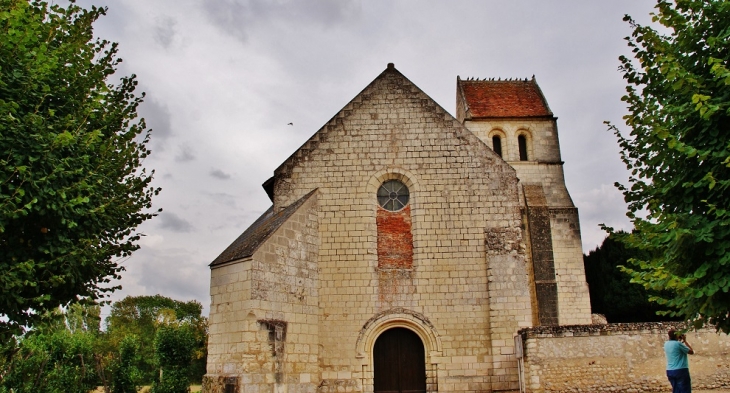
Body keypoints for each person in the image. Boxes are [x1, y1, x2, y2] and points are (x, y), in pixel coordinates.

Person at [664, 329, 694, 393]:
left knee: (676, 390)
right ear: (676, 335)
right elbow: (691, 351)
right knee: (685, 390)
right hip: (681, 370)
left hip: (670, 370)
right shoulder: (678, 344)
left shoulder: (666, 344)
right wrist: (685, 341)